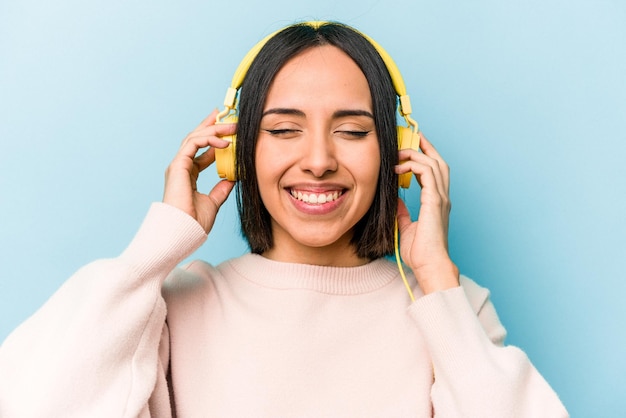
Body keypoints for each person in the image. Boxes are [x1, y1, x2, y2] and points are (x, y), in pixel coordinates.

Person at [0, 21, 568, 417]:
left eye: (352, 130)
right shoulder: (174, 304)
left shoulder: (452, 308)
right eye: (282, 129)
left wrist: (438, 281)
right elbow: (32, 402)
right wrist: (158, 248)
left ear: (397, 155)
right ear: (236, 151)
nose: (319, 160)